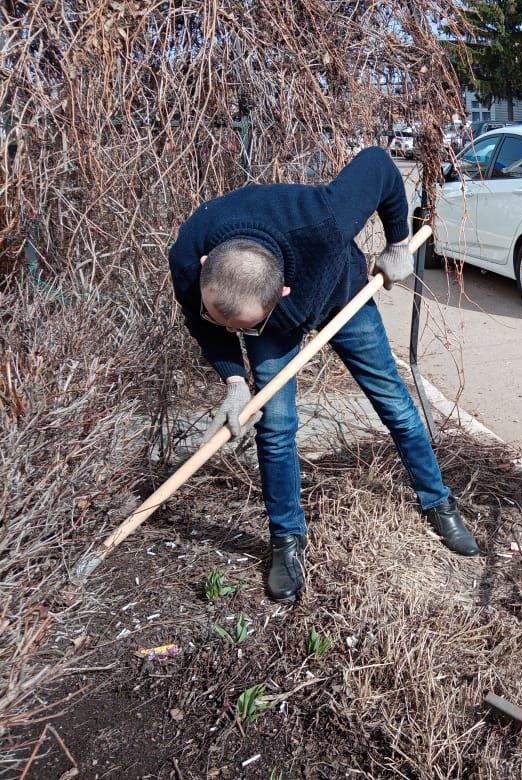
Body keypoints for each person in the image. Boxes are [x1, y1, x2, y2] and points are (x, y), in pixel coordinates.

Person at [169, 147, 480, 603]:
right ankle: (287, 541)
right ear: (203, 273)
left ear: (283, 291)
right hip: (268, 316)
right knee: (275, 428)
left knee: (393, 402)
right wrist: (234, 379)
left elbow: (378, 164)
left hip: (341, 294)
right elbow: (203, 321)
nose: (238, 335)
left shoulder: (323, 219)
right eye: (229, 325)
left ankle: (438, 502)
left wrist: (397, 242)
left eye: (246, 329)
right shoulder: (189, 259)